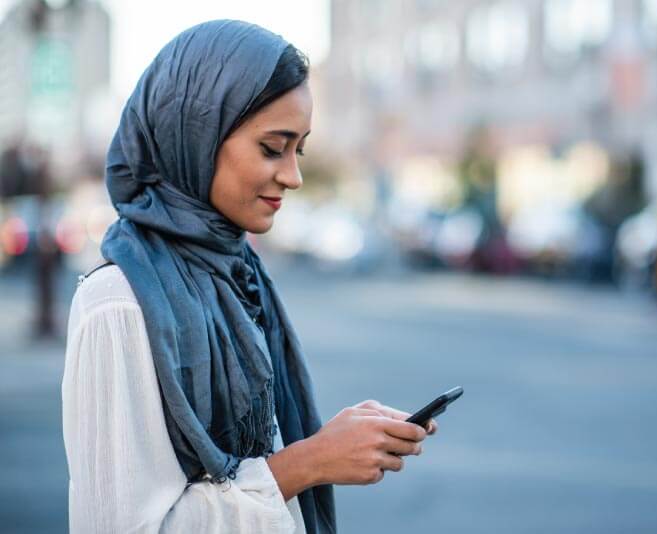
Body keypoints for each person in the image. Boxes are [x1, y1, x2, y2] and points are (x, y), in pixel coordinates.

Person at [61, 20, 436, 534]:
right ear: (196, 135)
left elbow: (252, 463)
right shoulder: (118, 303)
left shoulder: (240, 279)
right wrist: (308, 464)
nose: (293, 176)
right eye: (271, 147)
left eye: (298, 149)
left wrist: (337, 443)